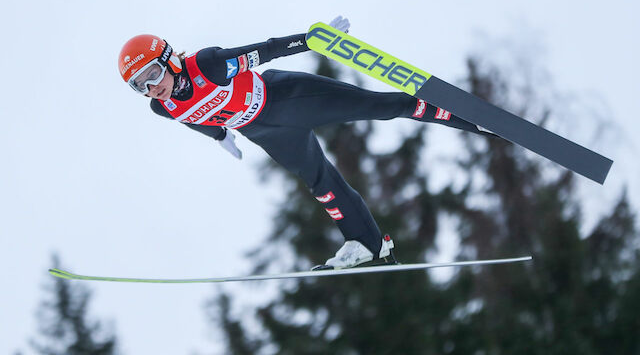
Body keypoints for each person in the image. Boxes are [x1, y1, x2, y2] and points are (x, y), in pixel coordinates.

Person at [118, 16, 494, 270]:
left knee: (381, 106)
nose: (153, 87)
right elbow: (192, 119)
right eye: (140, 85)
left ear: (168, 59)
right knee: (320, 183)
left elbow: (266, 50)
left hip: (287, 97)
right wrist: (220, 136)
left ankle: (470, 120)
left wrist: (317, 40)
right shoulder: (162, 107)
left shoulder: (209, 66)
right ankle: (368, 244)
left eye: (152, 74)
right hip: (265, 131)